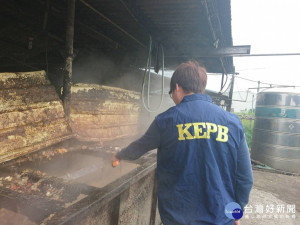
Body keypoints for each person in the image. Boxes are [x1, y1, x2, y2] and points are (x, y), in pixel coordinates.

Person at [112, 60, 253, 225]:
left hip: (178, 219)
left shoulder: (165, 121)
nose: (172, 97)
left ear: (177, 87)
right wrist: (237, 211)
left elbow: (139, 148)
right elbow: (244, 177)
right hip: (221, 218)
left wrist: (119, 154)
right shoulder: (233, 123)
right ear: (201, 87)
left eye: (171, 92)